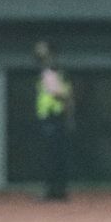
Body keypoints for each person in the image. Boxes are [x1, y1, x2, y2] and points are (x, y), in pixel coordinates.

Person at [35, 41, 74, 201]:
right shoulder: (54, 70)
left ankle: (54, 190)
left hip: (53, 117)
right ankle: (58, 189)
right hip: (55, 117)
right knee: (56, 155)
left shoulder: (50, 70)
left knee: (52, 156)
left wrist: (67, 113)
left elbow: (61, 94)